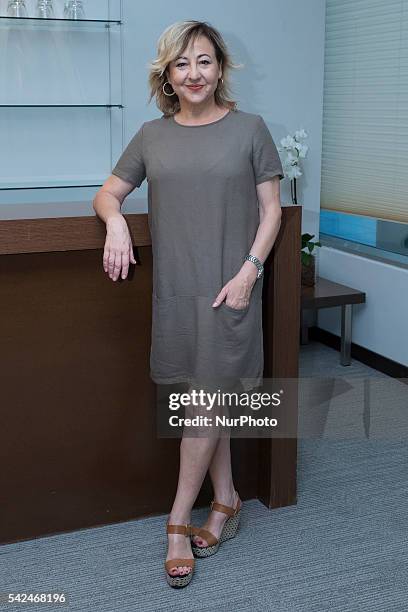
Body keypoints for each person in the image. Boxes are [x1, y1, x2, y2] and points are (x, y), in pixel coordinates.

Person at [92, 20, 284, 588]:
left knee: (205, 403)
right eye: (181, 64)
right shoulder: (151, 136)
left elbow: (272, 211)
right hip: (176, 292)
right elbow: (107, 192)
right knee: (207, 396)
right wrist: (115, 224)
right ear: (167, 75)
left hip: (231, 288)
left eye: (203, 61)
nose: (194, 73)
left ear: (219, 68)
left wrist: (250, 273)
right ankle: (225, 499)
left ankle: (178, 521)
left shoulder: (251, 129)